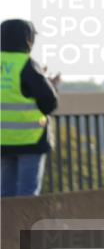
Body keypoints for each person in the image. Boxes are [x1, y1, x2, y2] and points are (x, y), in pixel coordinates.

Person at [1, 19, 59, 197]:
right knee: (27, 196)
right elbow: (49, 103)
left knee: (5, 195)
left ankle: (6, 225)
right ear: (28, 40)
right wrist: (50, 83)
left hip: (3, 140)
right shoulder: (27, 64)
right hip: (30, 140)